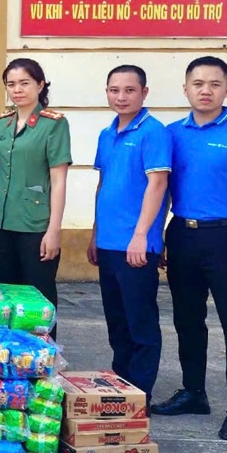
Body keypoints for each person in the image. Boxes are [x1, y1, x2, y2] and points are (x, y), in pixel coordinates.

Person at [152, 56, 227, 441]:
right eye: (198, 83)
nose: (206, 90)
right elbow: (161, 190)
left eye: (214, 84)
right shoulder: (170, 134)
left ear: (226, 90)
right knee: (186, 319)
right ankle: (193, 391)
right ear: (185, 89)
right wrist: (161, 237)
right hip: (183, 234)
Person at [87, 65, 170, 400]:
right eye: (114, 90)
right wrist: (94, 233)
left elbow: (158, 183)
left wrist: (141, 235)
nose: (121, 97)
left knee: (141, 324)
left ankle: (139, 395)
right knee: (117, 321)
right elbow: (103, 184)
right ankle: (120, 385)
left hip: (136, 244)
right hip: (108, 243)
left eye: (129, 90)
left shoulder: (154, 132)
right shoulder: (107, 134)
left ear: (144, 93)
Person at [0, 58, 70, 308]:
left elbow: (59, 180)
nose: (17, 90)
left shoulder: (54, 125)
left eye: (24, 83)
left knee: (38, 300)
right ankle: (14, 347)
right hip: (2, 222)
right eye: (11, 84)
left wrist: (54, 231)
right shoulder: (2, 124)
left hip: (36, 225)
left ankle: (43, 348)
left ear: (40, 85)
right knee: (8, 298)